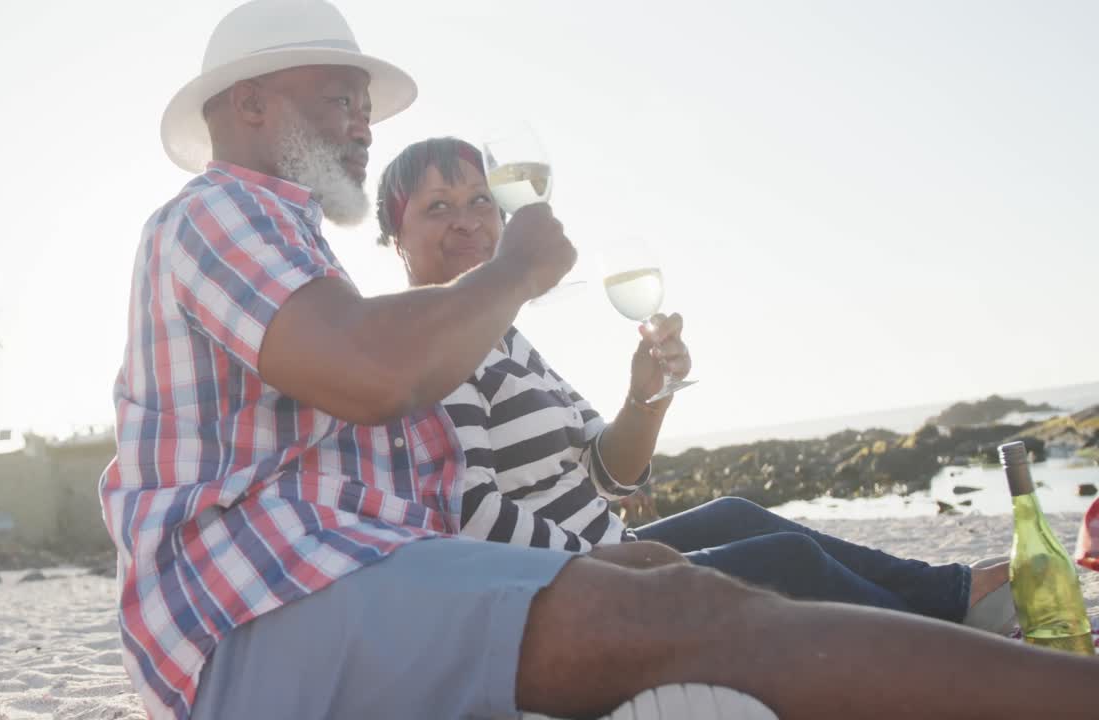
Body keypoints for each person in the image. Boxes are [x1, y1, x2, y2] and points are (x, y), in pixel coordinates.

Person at [100, 2, 1099, 719]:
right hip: (260, 618)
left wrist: (635, 407)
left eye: (366, 105)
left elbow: (565, 478)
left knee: (682, 573)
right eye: (337, 98)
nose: (363, 125)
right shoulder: (216, 212)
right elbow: (376, 379)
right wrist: (520, 269)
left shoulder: (309, 267)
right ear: (248, 109)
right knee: (700, 603)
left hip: (330, 592)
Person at [376, 136, 1015, 629]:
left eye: (480, 200)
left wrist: (646, 393)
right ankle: (938, 640)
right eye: (437, 207)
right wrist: (599, 560)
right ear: (392, 237)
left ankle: (947, 596)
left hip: (606, 551)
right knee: (785, 561)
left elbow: (609, 474)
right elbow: (467, 509)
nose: (466, 220)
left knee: (738, 513)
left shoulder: (506, 337)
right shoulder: (433, 346)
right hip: (562, 586)